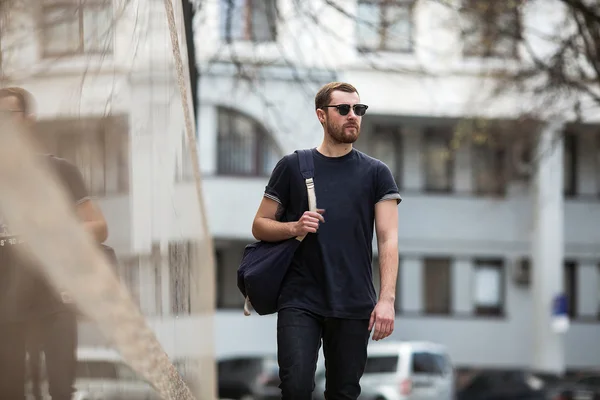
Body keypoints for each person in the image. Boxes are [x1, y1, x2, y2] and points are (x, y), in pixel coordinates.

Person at [251, 82, 401, 400]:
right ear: (322, 115)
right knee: (296, 387)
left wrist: (386, 299)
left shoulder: (377, 173)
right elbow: (259, 225)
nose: (352, 115)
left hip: (354, 300)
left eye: (358, 109)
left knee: (344, 393)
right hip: (300, 298)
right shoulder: (293, 166)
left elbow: (388, 239)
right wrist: (294, 226)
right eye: (343, 109)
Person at [0, 87, 109, 399]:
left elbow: (99, 227)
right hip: (5, 308)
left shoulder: (59, 170)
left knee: (61, 390)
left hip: (54, 301)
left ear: (28, 120)